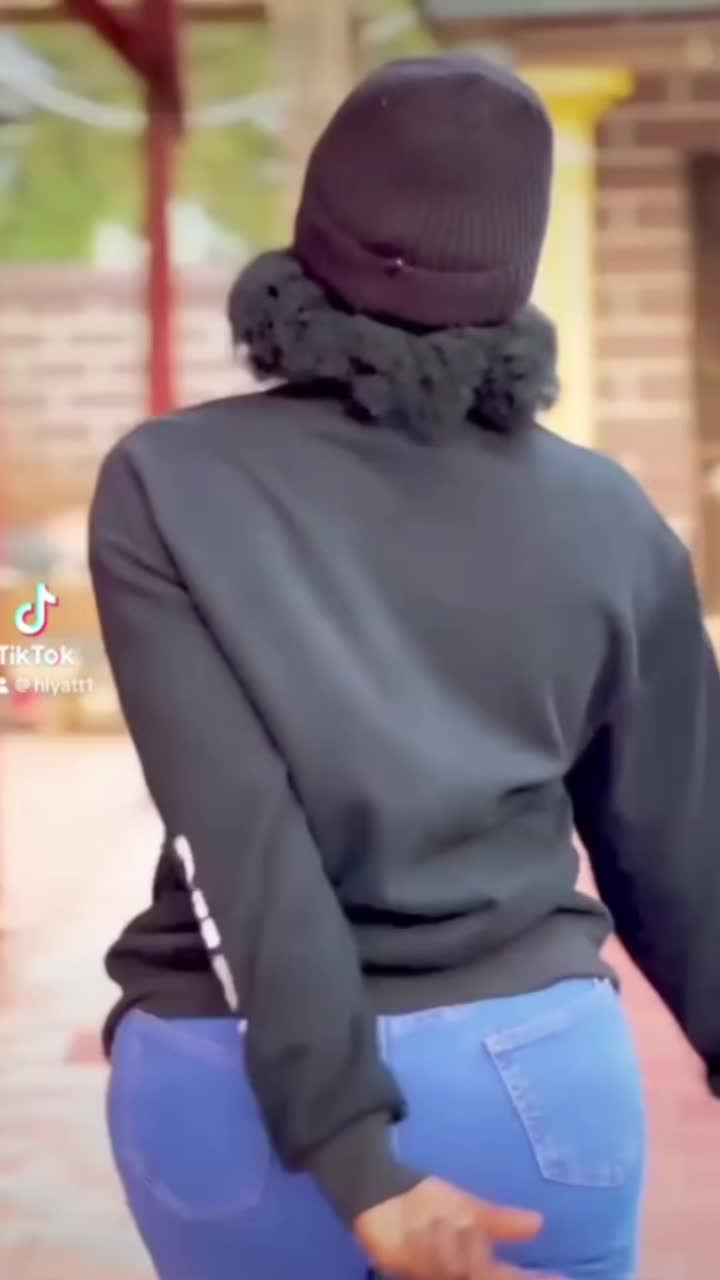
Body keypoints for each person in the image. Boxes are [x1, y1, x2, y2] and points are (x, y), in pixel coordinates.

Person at [89, 55, 720, 1280]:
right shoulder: (611, 515)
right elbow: (684, 846)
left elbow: (242, 840)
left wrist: (351, 1150)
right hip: (532, 1078)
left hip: (245, 1090)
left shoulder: (170, 483)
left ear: (311, 237)